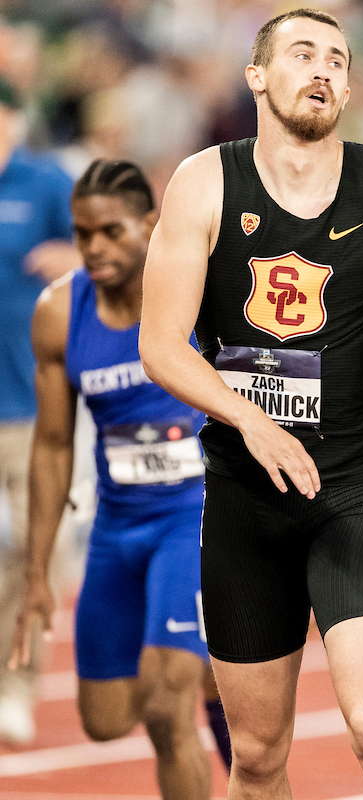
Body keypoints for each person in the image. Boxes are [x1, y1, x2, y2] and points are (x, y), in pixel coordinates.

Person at [137, 9, 363, 800]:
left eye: (336, 58)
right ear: (258, 76)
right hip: (242, 498)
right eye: (302, 54)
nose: (322, 69)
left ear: (351, 85)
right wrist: (251, 422)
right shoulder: (203, 182)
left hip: (353, 490)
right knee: (257, 754)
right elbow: (160, 345)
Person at [8, 159, 229, 796]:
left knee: (166, 707)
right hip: (116, 527)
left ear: (151, 225)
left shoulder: (199, 292)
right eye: (82, 235)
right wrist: (37, 572)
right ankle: (202, 662)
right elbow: (51, 446)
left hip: (195, 516)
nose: (95, 248)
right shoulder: (58, 313)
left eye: (111, 231)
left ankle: (197, 665)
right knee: (104, 722)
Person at [0, 75, 77, 745]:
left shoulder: (46, 183)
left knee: (35, 551)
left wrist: (73, 253)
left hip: (30, 405)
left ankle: (16, 683)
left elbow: (112, 255)